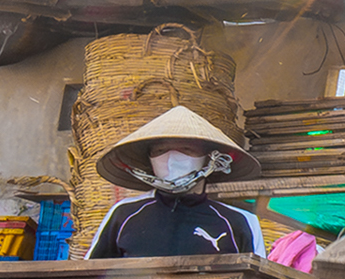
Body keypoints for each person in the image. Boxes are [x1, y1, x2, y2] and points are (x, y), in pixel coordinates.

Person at [85, 106, 265, 259]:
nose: (172, 159)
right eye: (161, 150)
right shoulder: (124, 214)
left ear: (210, 159)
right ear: (150, 160)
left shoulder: (240, 221)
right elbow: (88, 278)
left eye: (187, 149)